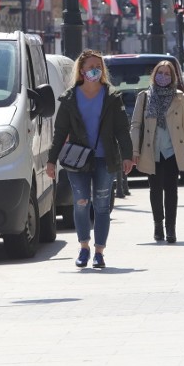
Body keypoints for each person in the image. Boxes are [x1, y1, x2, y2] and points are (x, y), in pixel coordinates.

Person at [47, 50, 134, 269]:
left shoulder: (111, 96)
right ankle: (84, 247)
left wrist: (127, 155)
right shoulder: (69, 98)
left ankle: (99, 252)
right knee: (81, 202)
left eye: (99, 66)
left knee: (102, 206)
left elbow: (122, 129)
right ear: (82, 70)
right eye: (91, 66)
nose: (96, 70)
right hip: (78, 160)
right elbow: (60, 132)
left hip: (106, 159)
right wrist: (51, 160)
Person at [130, 61, 184, 244]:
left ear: (173, 77)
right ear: (154, 75)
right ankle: (158, 224)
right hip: (152, 151)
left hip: (172, 152)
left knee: (171, 190)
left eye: (167, 74)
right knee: (155, 189)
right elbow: (136, 125)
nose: (163, 76)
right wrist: (134, 151)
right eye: (160, 73)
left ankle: (171, 228)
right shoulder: (144, 97)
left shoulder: (179, 97)